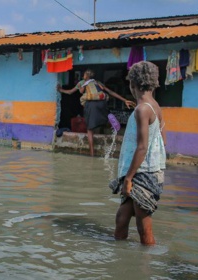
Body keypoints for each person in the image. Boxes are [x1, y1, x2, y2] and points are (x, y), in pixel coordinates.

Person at [111, 61, 166, 245]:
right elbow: (162, 140)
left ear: (132, 84)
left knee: (143, 227)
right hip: (139, 171)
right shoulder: (155, 106)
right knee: (122, 218)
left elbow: (142, 147)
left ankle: (145, 265)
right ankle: (120, 257)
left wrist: (128, 178)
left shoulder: (143, 110)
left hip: (142, 173)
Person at [57, 69, 136, 156]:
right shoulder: (97, 82)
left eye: (84, 75)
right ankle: (109, 119)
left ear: (86, 76)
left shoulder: (82, 82)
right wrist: (124, 100)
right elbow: (110, 92)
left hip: (91, 104)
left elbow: (69, 92)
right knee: (102, 117)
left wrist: (60, 90)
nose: (83, 76)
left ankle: (92, 154)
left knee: (90, 130)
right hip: (102, 103)